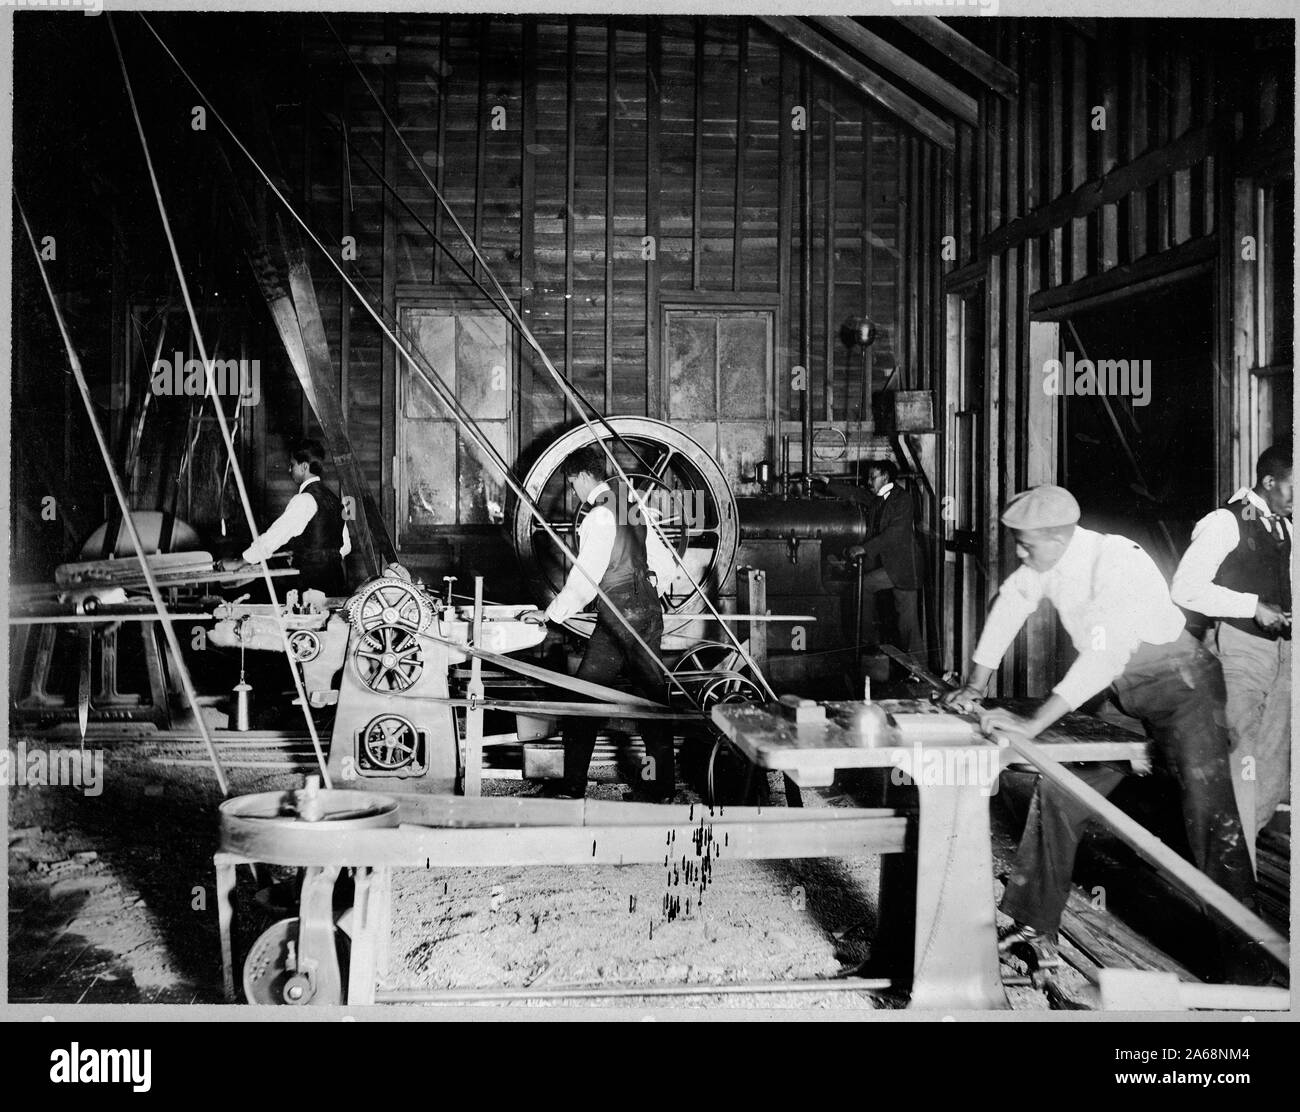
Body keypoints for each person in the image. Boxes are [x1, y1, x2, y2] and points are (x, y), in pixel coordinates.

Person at [940, 484, 1254, 971]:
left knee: (1211, 822)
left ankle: (1250, 969)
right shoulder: (1048, 564)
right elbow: (1010, 604)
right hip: (1126, 692)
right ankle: (1033, 926)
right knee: (1061, 790)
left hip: (1183, 687)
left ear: (1061, 536)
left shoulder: (1117, 563)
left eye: (1028, 544)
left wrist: (1034, 723)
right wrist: (975, 684)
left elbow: (1102, 658)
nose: (1021, 553)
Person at [520, 444, 677, 801]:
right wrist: (648, 590)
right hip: (644, 613)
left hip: (620, 617)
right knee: (643, 698)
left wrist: (551, 614)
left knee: (598, 698)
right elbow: (664, 562)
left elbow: (585, 576)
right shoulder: (631, 506)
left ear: (586, 477)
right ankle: (658, 788)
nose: (574, 492)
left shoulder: (598, 516)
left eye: (573, 483)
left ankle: (579, 787)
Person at [1171, 444, 1292, 866]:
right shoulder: (1225, 522)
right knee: (1241, 754)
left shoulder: (1286, 527)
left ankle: (1246, 860)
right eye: (1294, 487)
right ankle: (1233, 875)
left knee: (1273, 765)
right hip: (1241, 650)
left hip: (1284, 656)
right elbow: (1184, 588)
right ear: (1270, 481)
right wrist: (1252, 606)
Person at [817, 458, 922, 659]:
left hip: (904, 567)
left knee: (907, 624)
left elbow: (894, 534)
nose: (868, 481)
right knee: (903, 621)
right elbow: (856, 494)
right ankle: (869, 644)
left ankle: (916, 669)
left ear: (885, 477)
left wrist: (863, 549)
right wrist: (828, 482)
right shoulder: (878, 499)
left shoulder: (903, 499)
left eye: (872, 477)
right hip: (891, 566)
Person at [231, 438, 351, 596]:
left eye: (292, 464)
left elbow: (273, 538)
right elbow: (346, 546)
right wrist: (322, 558)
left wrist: (242, 561)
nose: (289, 470)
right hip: (336, 580)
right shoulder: (335, 500)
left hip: (311, 584)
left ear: (304, 467)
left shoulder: (304, 500)